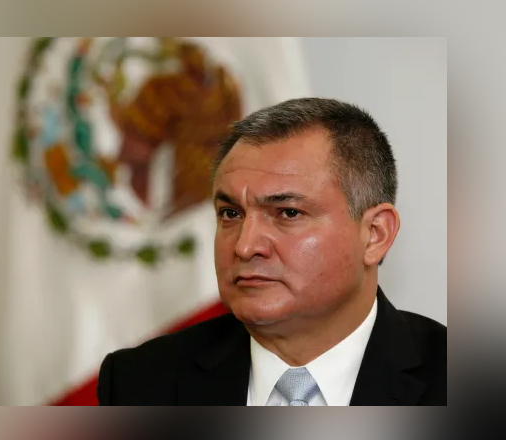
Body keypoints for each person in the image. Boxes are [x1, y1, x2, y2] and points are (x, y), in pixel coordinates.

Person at [96, 98, 447, 406]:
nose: (245, 246)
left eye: (288, 213)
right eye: (230, 214)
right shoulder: (137, 383)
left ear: (375, 235)